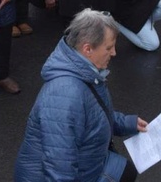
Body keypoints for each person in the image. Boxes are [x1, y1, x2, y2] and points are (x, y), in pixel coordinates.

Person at [15, 9, 147, 182]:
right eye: (109, 47)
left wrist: (127, 123)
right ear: (87, 49)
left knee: (127, 171)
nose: (114, 53)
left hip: (87, 163)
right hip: (66, 174)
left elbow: (92, 116)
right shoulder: (65, 95)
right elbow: (59, 167)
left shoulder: (84, 71)